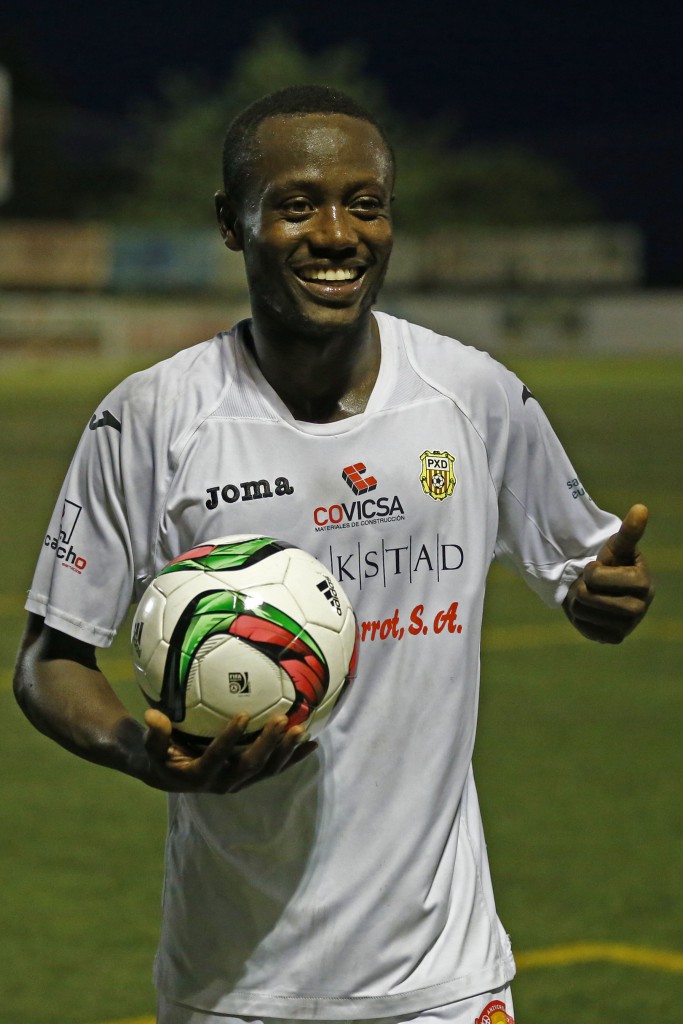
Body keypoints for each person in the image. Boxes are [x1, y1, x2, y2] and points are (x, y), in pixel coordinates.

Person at [14, 85, 654, 1024]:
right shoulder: (151, 419)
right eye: (296, 203)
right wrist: (134, 751)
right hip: (234, 983)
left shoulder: (468, 397)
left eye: (366, 203)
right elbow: (49, 658)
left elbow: (585, 570)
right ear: (232, 224)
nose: (336, 232)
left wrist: (602, 599)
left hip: (444, 979)